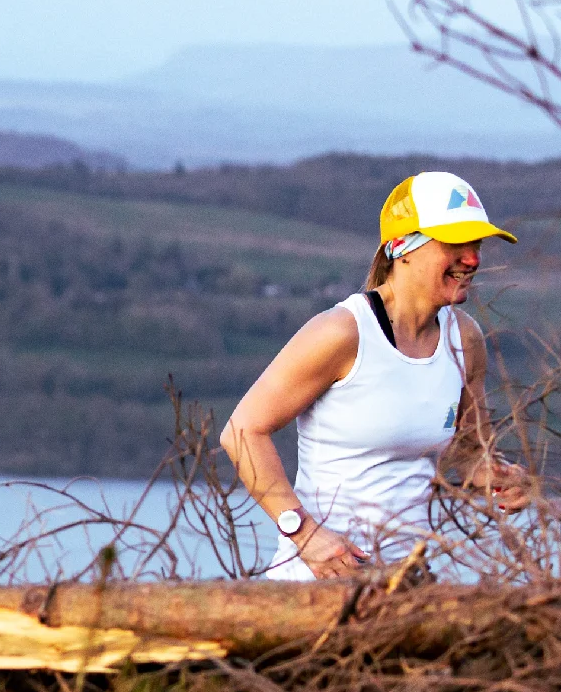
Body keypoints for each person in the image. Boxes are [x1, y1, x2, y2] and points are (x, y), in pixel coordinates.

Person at [220, 171, 530, 580]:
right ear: (402, 246)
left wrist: (504, 480)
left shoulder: (465, 340)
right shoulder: (343, 332)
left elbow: (470, 453)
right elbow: (241, 433)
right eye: (455, 243)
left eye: (476, 244)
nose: (472, 259)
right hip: (313, 590)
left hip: (406, 587)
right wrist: (304, 533)